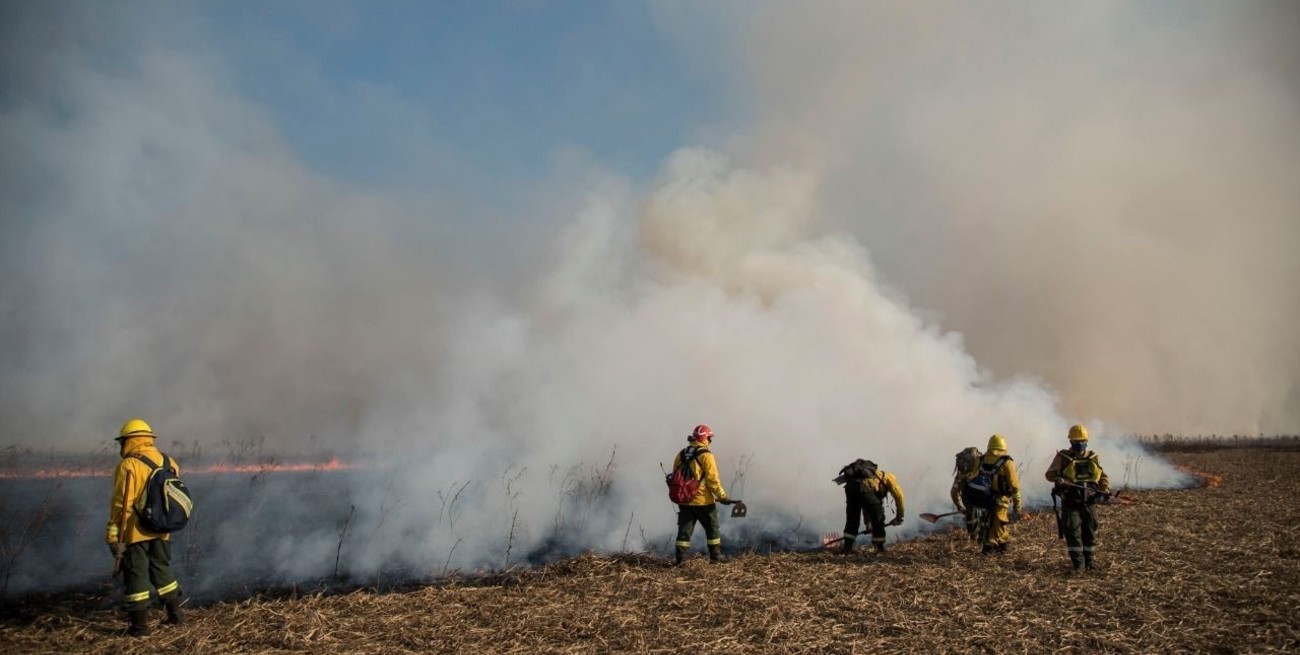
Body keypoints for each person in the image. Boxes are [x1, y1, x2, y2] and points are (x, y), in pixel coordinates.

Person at [108, 418, 184, 636]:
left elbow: (122, 505)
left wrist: (113, 535)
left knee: (136, 576)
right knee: (162, 569)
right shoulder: (169, 462)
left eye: (122, 442)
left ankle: (140, 629)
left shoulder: (129, 465)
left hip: (136, 532)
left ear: (129, 441)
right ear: (149, 439)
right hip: (162, 529)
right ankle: (176, 616)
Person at [1045, 424, 1111, 571]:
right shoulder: (1063, 457)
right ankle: (1078, 566)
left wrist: (1104, 488)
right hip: (1071, 502)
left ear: (1087, 440)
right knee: (1073, 533)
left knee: (1090, 532)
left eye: (1082, 440)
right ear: (1070, 441)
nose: (1079, 443)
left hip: (1089, 502)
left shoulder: (1093, 458)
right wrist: (1059, 479)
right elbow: (1049, 474)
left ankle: (1090, 563)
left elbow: (1103, 477)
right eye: (1076, 440)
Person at [671, 424, 738, 564]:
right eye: (710, 438)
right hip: (703, 501)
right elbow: (713, 481)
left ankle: (680, 560)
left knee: (684, 530)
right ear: (705, 438)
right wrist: (723, 497)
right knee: (712, 528)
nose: (710, 441)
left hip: (684, 500)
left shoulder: (681, 454)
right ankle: (716, 557)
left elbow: (676, 477)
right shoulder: (706, 456)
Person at [835, 459, 904, 554]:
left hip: (850, 487)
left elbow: (865, 503)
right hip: (861, 488)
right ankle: (879, 548)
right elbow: (899, 496)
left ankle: (847, 548)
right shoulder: (889, 479)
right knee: (879, 516)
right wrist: (900, 516)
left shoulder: (870, 478)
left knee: (852, 519)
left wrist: (868, 524)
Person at [976, 434, 1022, 554]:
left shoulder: (981, 460)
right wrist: (1017, 503)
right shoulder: (1006, 462)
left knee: (988, 521)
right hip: (1000, 499)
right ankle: (997, 546)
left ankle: (990, 544)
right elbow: (1014, 485)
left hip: (983, 498)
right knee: (1000, 522)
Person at [950, 446, 983, 539]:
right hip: (976, 494)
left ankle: (975, 535)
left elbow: (954, 492)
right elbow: (954, 492)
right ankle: (975, 535)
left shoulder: (982, 465)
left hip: (981, 494)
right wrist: (960, 506)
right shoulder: (961, 475)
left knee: (974, 512)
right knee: (973, 512)